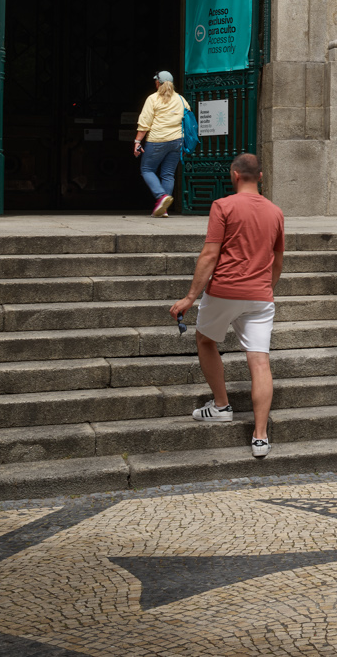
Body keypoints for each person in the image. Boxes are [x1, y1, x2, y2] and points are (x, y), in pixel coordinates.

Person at [168, 152, 285, 461]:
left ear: (234, 176)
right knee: (259, 362)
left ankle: (221, 406)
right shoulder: (275, 212)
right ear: (260, 177)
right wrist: (264, 289)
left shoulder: (223, 206)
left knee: (206, 340)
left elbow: (209, 255)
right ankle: (260, 436)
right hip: (260, 296)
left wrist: (190, 297)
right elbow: (278, 260)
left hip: (223, 291)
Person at [133, 70, 190, 216]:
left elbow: (145, 122)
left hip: (157, 141)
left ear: (158, 83)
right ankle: (163, 209)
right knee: (168, 174)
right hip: (177, 141)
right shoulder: (181, 99)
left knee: (147, 169)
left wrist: (137, 141)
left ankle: (161, 196)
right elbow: (188, 120)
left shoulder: (153, 99)